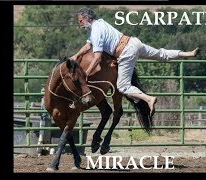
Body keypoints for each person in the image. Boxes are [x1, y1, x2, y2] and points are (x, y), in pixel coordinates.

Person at [70, 7, 199, 117]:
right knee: (161, 54)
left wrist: (85, 74)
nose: (80, 23)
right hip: (133, 42)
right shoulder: (100, 23)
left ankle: (149, 99)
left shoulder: (96, 30)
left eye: (81, 20)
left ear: (88, 18)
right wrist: (76, 56)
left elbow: (97, 57)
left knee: (122, 87)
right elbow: (88, 46)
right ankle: (189, 53)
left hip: (126, 52)